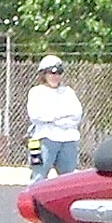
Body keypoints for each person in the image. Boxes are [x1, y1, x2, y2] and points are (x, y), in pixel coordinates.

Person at [26, 54, 83, 184]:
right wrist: (61, 115)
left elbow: (76, 114)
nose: (55, 76)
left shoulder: (68, 92)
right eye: (51, 73)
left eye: (58, 73)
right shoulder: (36, 92)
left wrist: (53, 118)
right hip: (44, 139)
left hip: (68, 140)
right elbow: (36, 115)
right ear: (43, 74)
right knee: (39, 176)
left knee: (68, 179)